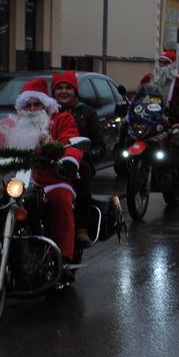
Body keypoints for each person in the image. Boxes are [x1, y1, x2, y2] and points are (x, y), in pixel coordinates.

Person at [0, 77, 83, 267]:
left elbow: (70, 141)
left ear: (46, 105)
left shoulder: (61, 120)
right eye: (27, 105)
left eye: (37, 104)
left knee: (60, 199)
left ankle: (62, 257)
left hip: (50, 178)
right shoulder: (9, 126)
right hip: (12, 181)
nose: (32, 109)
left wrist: (67, 159)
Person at [51, 70, 105, 247]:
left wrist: (87, 155)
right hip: (49, 164)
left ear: (75, 91)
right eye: (59, 88)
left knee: (83, 169)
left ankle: (81, 229)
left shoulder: (87, 113)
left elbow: (100, 147)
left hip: (76, 165)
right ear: (53, 92)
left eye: (68, 87)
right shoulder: (46, 111)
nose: (64, 91)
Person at [139, 50, 179, 182]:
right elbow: (140, 95)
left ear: (172, 64)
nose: (161, 65)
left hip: (175, 119)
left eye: (165, 62)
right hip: (151, 119)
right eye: (160, 62)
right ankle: (133, 165)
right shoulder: (148, 79)